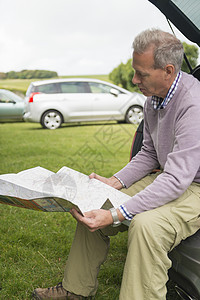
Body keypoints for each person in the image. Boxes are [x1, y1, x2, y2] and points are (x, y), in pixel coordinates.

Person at [32, 29, 200, 300]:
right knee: (94, 201)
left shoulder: (194, 104)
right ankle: (75, 289)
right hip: (169, 177)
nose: (134, 80)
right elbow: (149, 153)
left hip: (194, 187)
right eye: (135, 71)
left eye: (141, 74)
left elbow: (178, 179)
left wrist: (116, 215)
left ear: (168, 70)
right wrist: (113, 183)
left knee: (147, 226)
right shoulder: (153, 99)